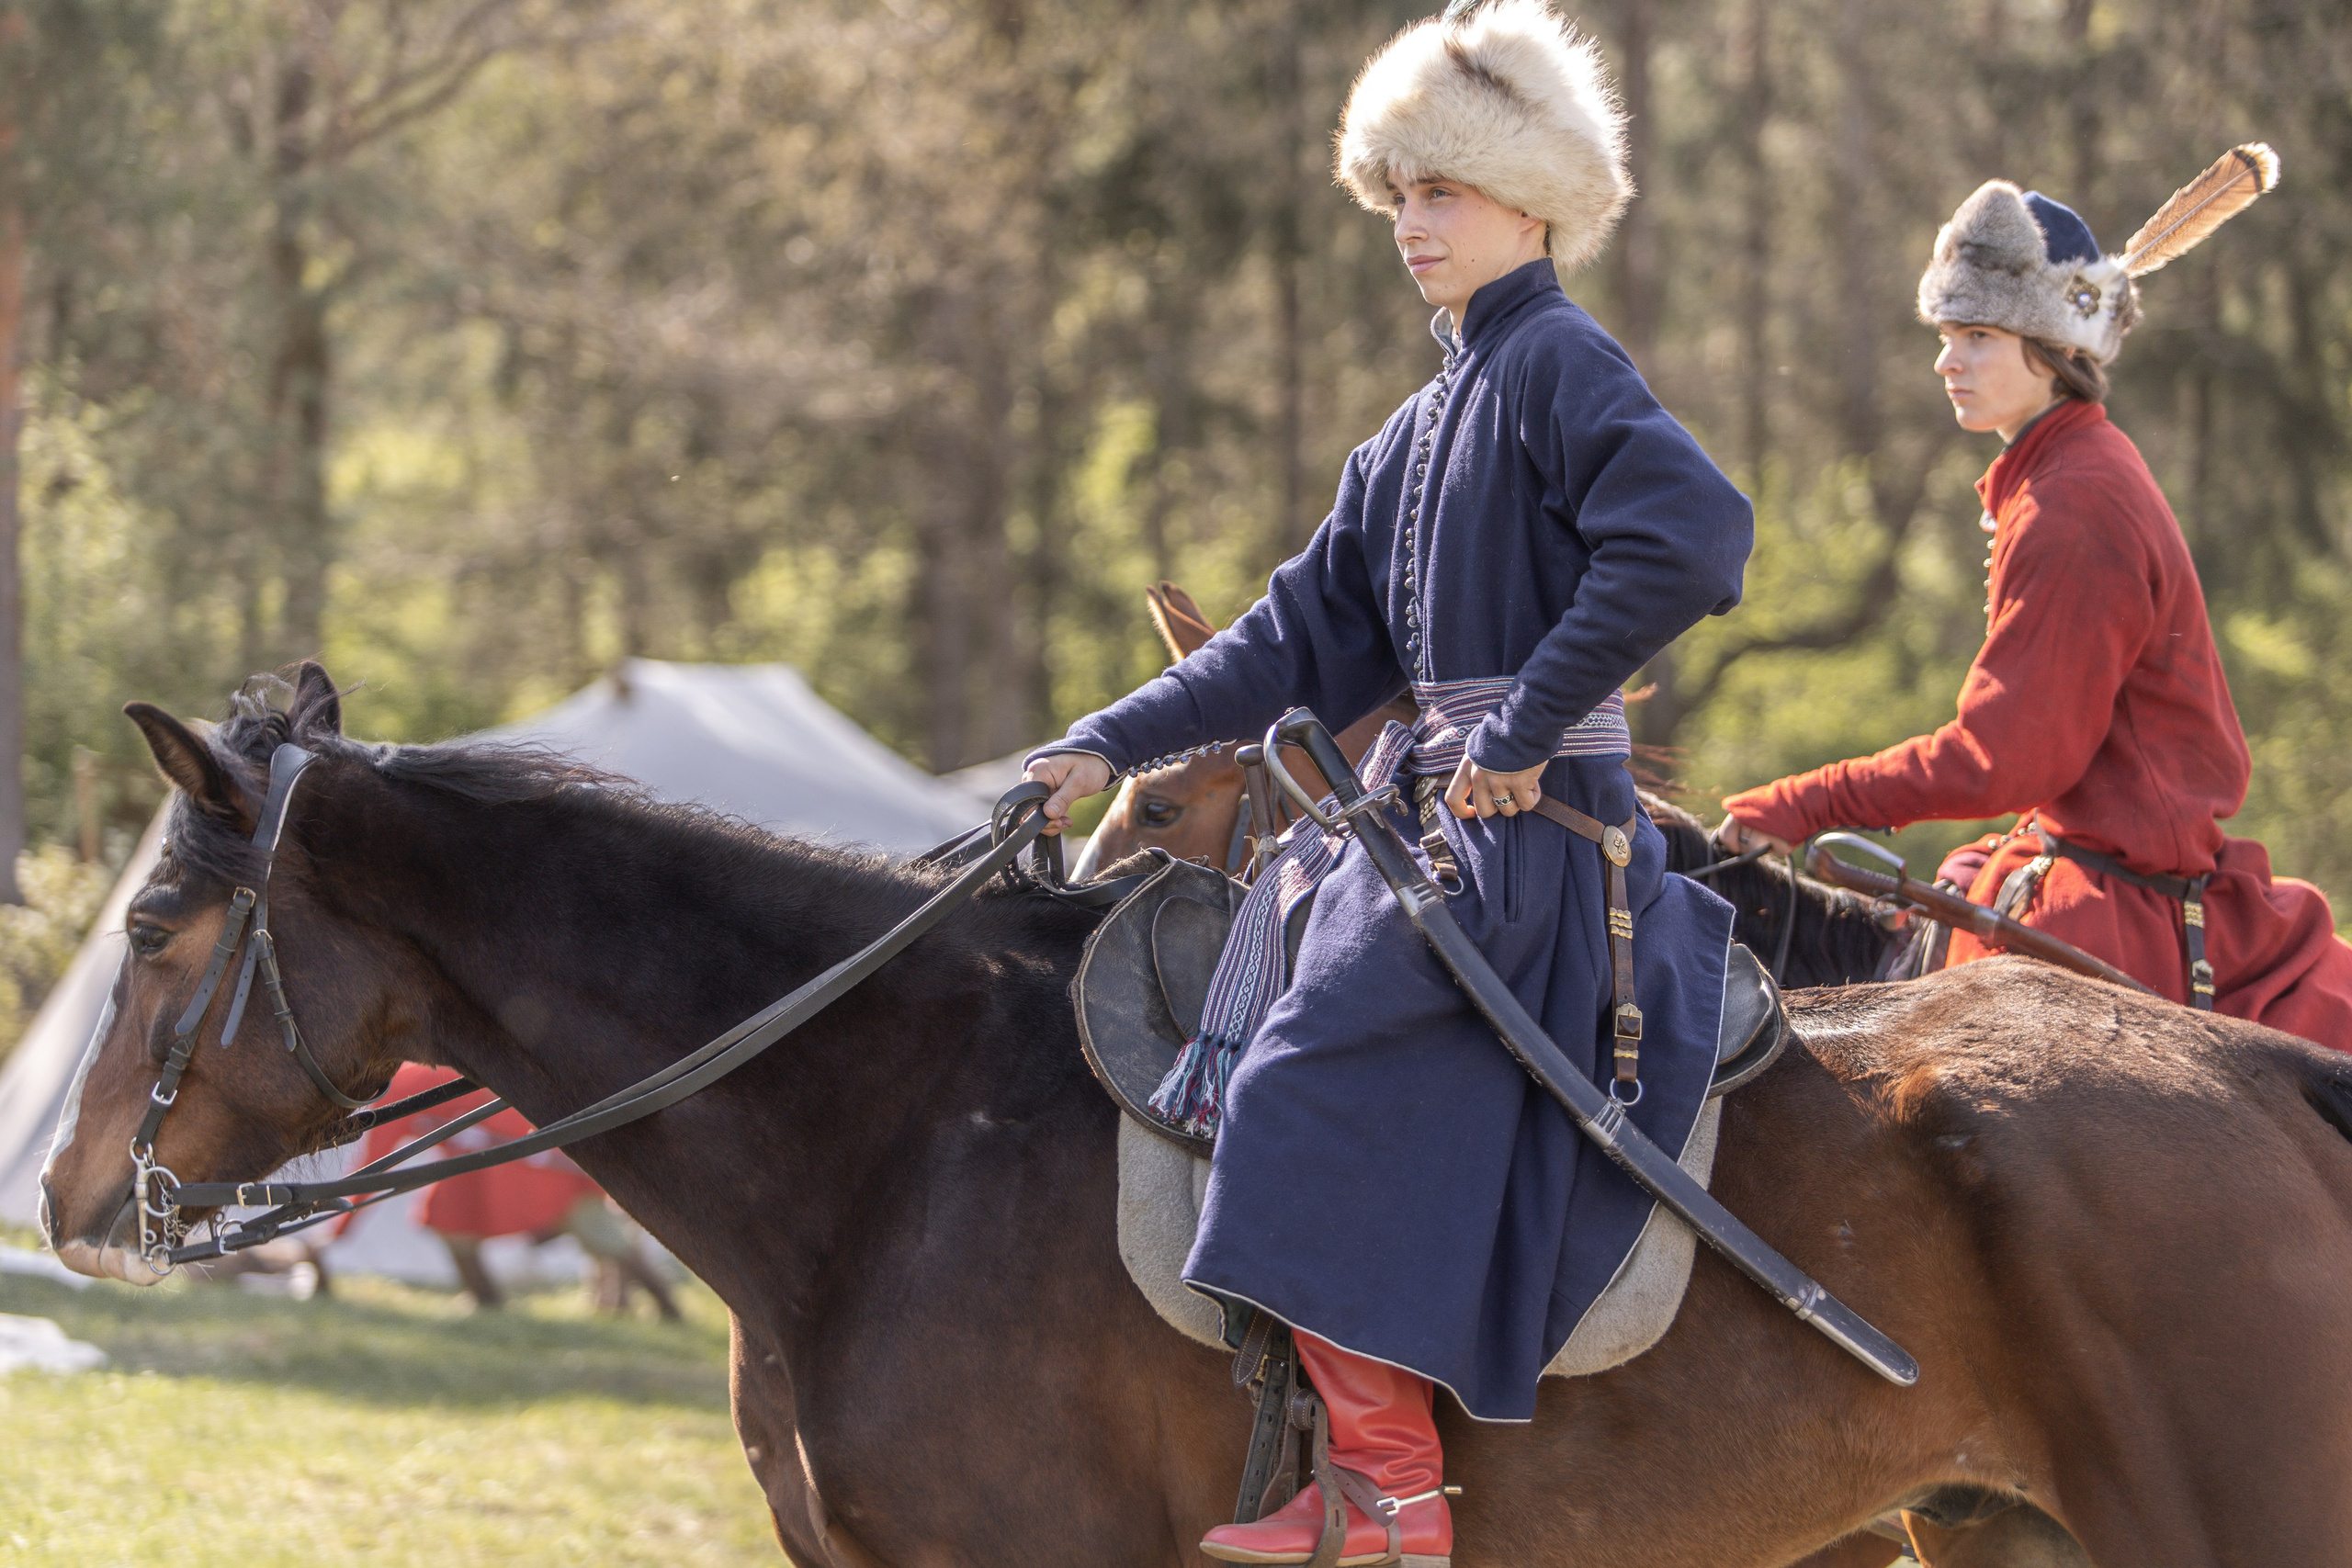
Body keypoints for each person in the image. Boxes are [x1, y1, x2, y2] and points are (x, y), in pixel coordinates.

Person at [1024, 4, 1752, 1562]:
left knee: (1289, 1085)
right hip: (1435, 843)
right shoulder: (1414, 428)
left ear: (1534, 200)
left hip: (1541, 856)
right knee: (1245, 1037)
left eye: (1446, 193)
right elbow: (1287, 642)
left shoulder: (1560, 360)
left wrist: (1524, 726)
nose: (1414, 227)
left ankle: (1392, 1503)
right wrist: (1110, 738)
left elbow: (1696, 538)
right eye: (1399, 196)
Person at [1719, 148, 2352, 1045]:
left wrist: (1803, 802)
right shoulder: (2063, 470)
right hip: (2086, 871)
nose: (1947, 360)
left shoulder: (2072, 504)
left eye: (1976, 335)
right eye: (1945, 334)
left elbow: (2002, 759)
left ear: (2054, 350)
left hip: (2115, 922)